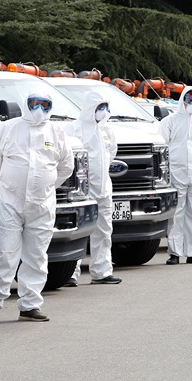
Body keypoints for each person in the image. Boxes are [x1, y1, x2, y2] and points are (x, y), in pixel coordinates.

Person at [0, 92, 74, 323]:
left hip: (42, 205)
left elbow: (65, 167)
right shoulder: (8, 129)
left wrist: (45, 186)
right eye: (34, 104)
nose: (39, 109)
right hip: (10, 203)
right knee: (4, 253)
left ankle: (30, 305)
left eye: (44, 105)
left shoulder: (57, 132)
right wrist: (10, 187)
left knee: (36, 255)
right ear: (26, 104)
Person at [64, 92, 120, 286]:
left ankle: (102, 271)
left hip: (104, 188)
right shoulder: (74, 128)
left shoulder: (107, 130)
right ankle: (70, 273)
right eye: (99, 107)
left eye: (105, 107)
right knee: (78, 231)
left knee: (104, 231)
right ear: (90, 108)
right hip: (82, 190)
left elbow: (111, 152)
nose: (103, 111)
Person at [159, 86, 192, 265]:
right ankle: (175, 252)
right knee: (177, 212)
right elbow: (162, 145)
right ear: (183, 100)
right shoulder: (170, 121)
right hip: (177, 171)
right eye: (189, 99)